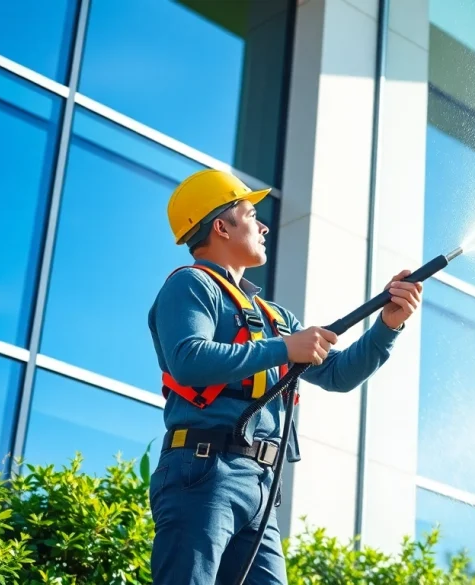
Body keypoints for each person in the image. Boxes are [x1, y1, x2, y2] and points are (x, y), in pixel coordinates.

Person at [146, 169, 423, 584]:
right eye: (251, 213)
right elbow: (188, 359)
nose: (264, 225)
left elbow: (338, 375)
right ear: (221, 226)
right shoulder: (190, 285)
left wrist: (388, 325)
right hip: (202, 470)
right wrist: (284, 348)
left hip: (261, 486)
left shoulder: (275, 318)